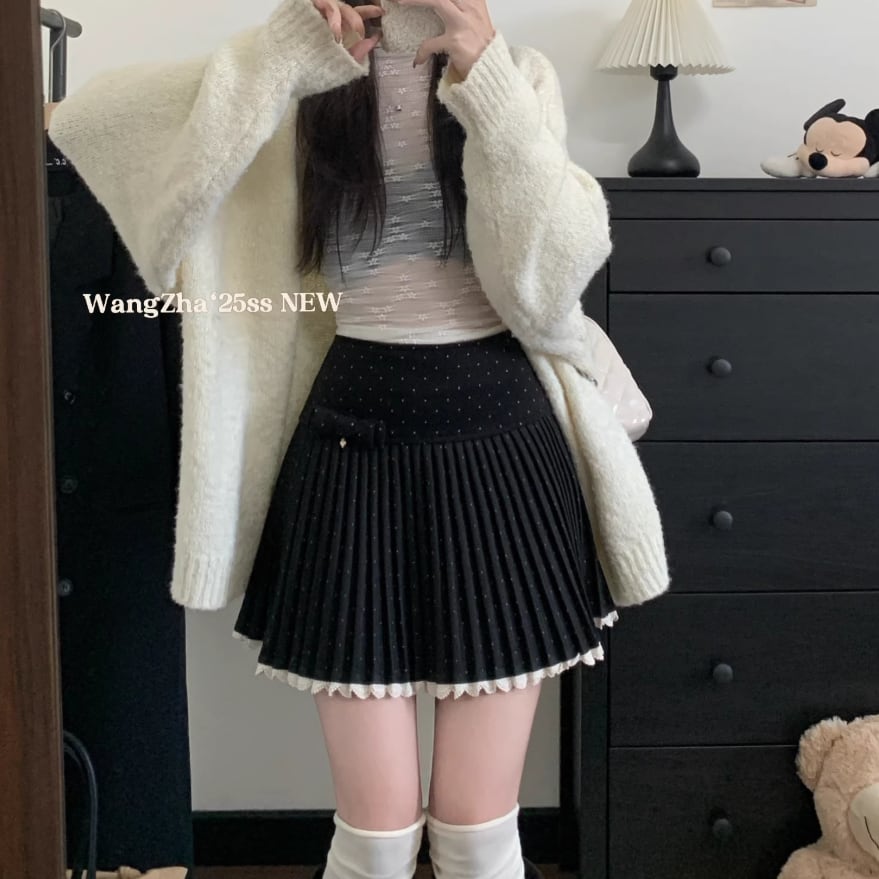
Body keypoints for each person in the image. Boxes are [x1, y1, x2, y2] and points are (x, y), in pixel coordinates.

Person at [48, 2, 670, 878]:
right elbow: (99, 128)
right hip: (350, 448)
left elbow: (549, 286)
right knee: (373, 839)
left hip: (500, 447)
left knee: (478, 833)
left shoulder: (515, 74)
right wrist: (283, 52)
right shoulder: (299, 81)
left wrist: (488, 82)